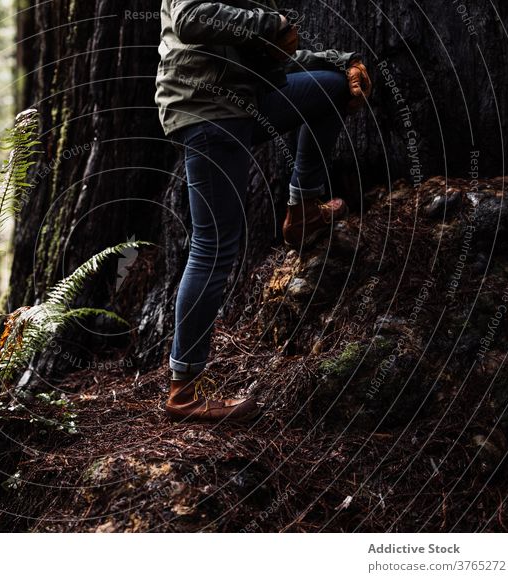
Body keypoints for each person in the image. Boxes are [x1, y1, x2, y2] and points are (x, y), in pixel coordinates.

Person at [155, 0, 372, 423]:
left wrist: (342, 61)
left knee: (330, 85)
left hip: (239, 101)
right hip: (208, 110)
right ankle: (184, 391)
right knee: (213, 248)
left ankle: (304, 206)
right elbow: (190, 17)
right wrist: (271, 23)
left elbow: (273, 64)